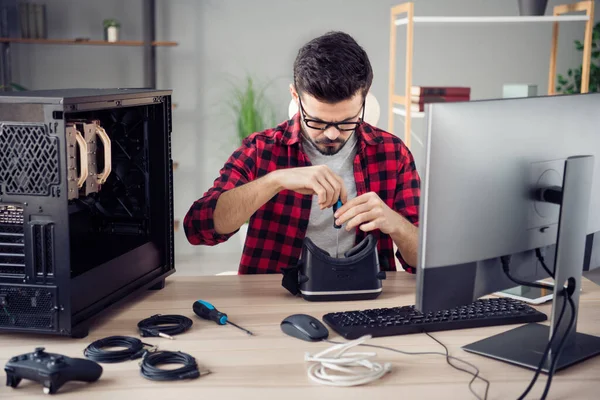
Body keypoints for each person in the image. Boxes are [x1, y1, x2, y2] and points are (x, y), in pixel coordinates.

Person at [184, 31, 420, 275]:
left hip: (365, 298)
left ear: (364, 100)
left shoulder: (393, 153)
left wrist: (396, 225)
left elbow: (422, 262)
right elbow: (198, 228)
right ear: (295, 96)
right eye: (317, 122)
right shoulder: (261, 150)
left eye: (347, 121)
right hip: (277, 299)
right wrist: (275, 181)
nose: (331, 134)